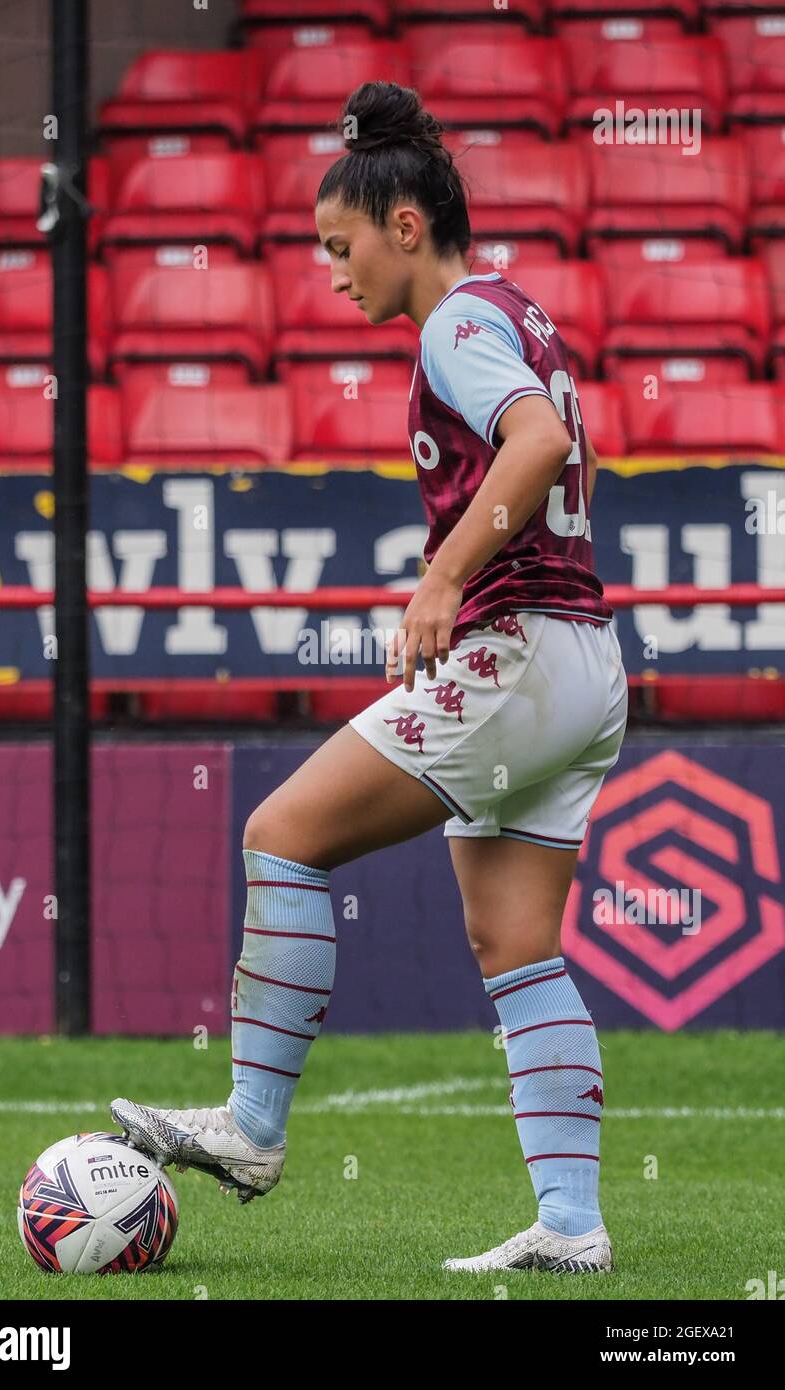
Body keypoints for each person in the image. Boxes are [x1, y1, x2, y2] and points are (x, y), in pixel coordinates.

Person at [111, 81, 628, 1276]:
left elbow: (536, 443)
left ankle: (247, 1126)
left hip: (516, 649)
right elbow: (551, 442)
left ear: (403, 225)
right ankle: (569, 1222)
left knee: (281, 833)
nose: (331, 273)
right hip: (584, 663)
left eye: (338, 246)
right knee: (515, 944)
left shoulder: (453, 321)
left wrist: (439, 580)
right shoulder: (515, 310)